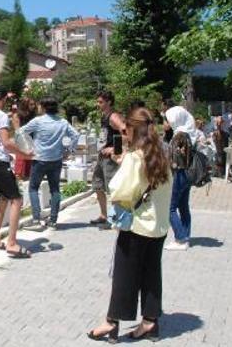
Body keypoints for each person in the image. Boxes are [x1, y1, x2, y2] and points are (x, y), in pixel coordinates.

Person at [88, 108, 173, 343]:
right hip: (158, 226)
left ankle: (112, 322)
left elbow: (118, 189)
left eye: (126, 130)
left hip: (137, 226)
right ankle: (150, 322)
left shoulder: (136, 157)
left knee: (125, 275)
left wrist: (120, 164)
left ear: (133, 129)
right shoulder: (162, 155)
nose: (124, 134)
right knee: (151, 274)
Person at [0, 88, 34, 258]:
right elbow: (6, 142)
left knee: (3, 199)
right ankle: (12, 243)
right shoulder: (1, 116)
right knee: (17, 199)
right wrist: (24, 154)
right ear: (3, 99)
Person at [19, 96, 79, 230]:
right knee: (55, 189)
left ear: (44, 107)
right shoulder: (63, 122)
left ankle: (36, 219)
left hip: (39, 159)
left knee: (33, 188)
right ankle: (53, 220)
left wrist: (28, 147)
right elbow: (75, 135)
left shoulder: (38, 121)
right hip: (56, 159)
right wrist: (69, 150)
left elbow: (22, 132)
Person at [90, 91, 125, 227]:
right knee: (98, 185)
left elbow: (126, 131)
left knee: (113, 188)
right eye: (97, 102)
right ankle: (104, 215)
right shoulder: (104, 116)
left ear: (109, 102)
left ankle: (116, 217)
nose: (98, 104)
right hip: (102, 156)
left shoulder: (113, 117)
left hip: (110, 158)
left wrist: (114, 149)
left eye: (100, 102)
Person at [164, 106, 196, 251]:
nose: (166, 123)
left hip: (179, 174)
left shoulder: (179, 136)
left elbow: (175, 160)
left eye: (168, 120)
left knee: (170, 208)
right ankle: (185, 235)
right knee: (183, 207)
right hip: (187, 175)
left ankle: (180, 238)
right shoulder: (187, 133)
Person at [11, 97, 38, 181]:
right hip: (22, 143)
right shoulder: (17, 115)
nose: (33, 106)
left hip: (32, 143)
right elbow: (17, 131)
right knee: (20, 169)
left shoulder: (33, 116)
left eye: (34, 104)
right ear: (25, 105)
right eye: (31, 104)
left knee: (29, 170)